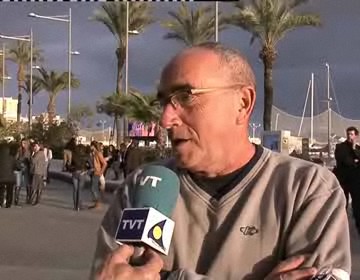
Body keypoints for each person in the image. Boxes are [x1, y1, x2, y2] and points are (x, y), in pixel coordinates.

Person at [90, 43, 350, 280]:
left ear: (242, 103)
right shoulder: (142, 187)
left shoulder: (307, 189)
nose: (166, 119)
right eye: (164, 103)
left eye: (186, 96)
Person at [334, 127, 360, 226]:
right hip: (343, 180)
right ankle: (340, 225)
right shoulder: (340, 147)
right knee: (342, 203)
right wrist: (355, 161)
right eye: (348, 134)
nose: (349, 136)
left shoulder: (357, 149)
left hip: (355, 181)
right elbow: (343, 160)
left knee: (357, 204)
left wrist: (354, 149)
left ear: (356, 136)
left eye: (352, 134)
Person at [88, 141, 107, 209]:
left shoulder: (98, 153)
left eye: (91, 146)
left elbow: (105, 163)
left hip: (97, 172)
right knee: (94, 188)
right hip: (94, 172)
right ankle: (97, 202)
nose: (90, 147)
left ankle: (97, 202)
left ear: (94, 146)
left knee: (93, 188)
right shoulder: (93, 153)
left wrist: (101, 172)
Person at [69, 144, 88, 211]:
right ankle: (79, 205)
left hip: (75, 173)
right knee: (80, 190)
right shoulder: (86, 156)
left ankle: (75, 206)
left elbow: (71, 165)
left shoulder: (74, 156)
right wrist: (86, 171)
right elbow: (90, 166)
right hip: (82, 173)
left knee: (75, 190)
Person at [14, 139, 31, 205]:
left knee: (27, 184)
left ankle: (28, 198)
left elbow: (30, 160)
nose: (23, 144)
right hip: (19, 168)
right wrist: (20, 163)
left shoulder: (29, 150)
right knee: (18, 184)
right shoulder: (19, 150)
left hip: (26, 169)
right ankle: (16, 199)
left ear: (27, 144)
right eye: (22, 143)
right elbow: (16, 158)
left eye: (24, 143)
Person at [0, 142, 16, 208]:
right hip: (10, 178)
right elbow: (17, 166)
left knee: (1, 190)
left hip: (0, 177)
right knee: (10, 191)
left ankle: (0, 202)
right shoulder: (12, 157)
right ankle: (8, 204)